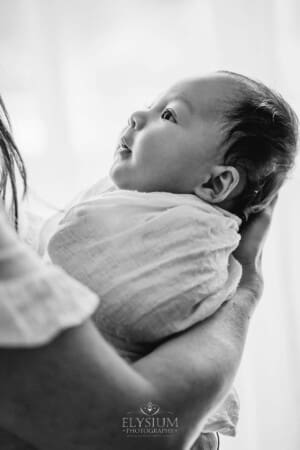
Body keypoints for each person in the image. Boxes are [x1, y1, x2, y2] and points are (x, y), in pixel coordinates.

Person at [0, 81, 277, 449]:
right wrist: (246, 290)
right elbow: (142, 431)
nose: (136, 115)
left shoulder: (193, 235)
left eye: (167, 115)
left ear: (216, 182)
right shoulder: (132, 209)